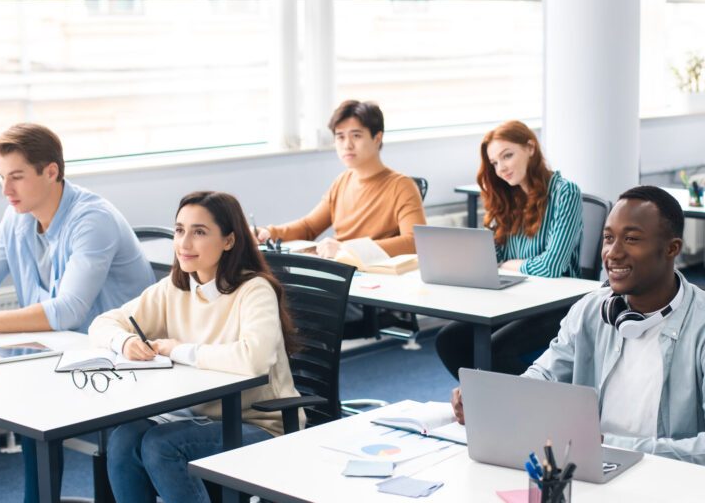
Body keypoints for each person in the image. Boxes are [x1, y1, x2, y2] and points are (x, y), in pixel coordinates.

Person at [0, 123, 156, 503]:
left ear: (51, 171)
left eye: (17, 178)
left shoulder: (93, 219)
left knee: (29, 408)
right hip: (55, 349)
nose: (6, 191)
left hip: (110, 358)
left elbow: (68, 311)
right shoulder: (17, 216)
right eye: (2, 178)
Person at [451, 186, 705, 463]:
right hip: (590, 467)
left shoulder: (699, 324)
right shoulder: (592, 310)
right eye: (608, 238)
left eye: (631, 238)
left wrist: (611, 445)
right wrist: (492, 400)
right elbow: (544, 377)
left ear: (672, 249)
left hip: (667, 478)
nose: (613, 253)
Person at [89, 191, 302, 502]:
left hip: (260, 422)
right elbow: (103, 323)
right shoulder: (173, 289)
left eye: (199, 232)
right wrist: (126, 341)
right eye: (179, 230)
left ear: (229, 240)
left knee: (162, 445)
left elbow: (253, 359)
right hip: (197, 418)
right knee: (123, 440)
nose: (184, 243)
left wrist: (177, 349)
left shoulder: (254, 290)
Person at [435, 120, 583, 378]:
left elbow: (551, 267)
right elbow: (493, 260)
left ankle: (534, 403)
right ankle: (486, 400)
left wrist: (509, 265)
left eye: (507, 156)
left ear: (530, 148)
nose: (501, 168)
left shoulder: (564, 192)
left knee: (494, 351)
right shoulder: (510, 197)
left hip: (559, 305)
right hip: (517, 300)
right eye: (494, 163)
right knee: (448, 340)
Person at [255, 99, 426, 260]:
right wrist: (268, 232)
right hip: (338, 269)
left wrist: (347, 249)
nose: (347, 145)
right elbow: (308, 227)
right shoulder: (342, 181)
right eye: (340, 137)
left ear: (377, 138)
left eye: (356, 136)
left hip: (374, 277)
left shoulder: (402, 186)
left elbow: (414, 242)